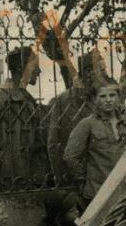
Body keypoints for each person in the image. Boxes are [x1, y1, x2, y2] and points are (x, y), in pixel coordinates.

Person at [0, 47, 47, 189]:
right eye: (35, 66)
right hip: (8, 178)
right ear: (20, 68)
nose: (39, 71)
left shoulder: (27, 99)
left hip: (29, 176)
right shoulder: (2, 99)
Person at [63, 83, 126, 202]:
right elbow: (70, 156)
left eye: (112, 95)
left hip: (125, 190)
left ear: (118, 97)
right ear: (94, 99)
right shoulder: (87, 124)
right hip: (98, 192)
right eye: (102, 96)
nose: (108, 100)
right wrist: (83, 181)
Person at [45, 52, 106, 185]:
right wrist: (60, 178)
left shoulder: (101, 99)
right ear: (89, 73)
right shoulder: (63, 101)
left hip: (98, 176)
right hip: (73, 178)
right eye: (102, 70)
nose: (105, 75)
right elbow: (53, 144)